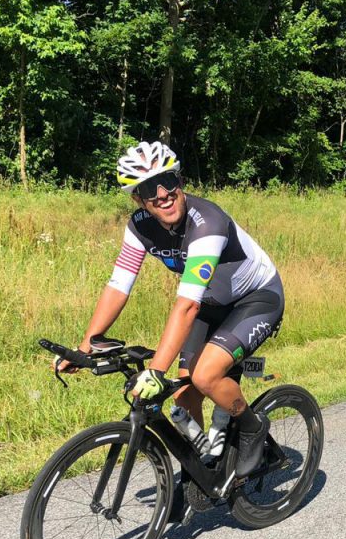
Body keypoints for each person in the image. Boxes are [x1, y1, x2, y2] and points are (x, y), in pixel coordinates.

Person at [62, 140, 284, 498]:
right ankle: (201, 468)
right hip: (211, 303)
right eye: (151, 188)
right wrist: (87, 343)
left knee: (205, 374)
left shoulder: (207, 223)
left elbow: (186, 306)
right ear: (139, 199)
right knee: (183, 392)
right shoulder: (139, 227)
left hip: (255, 299)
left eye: (169, 181)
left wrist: (155, 370)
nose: (163, 194)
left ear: (180, 181)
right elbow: (119, 285)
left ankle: (251, 427)